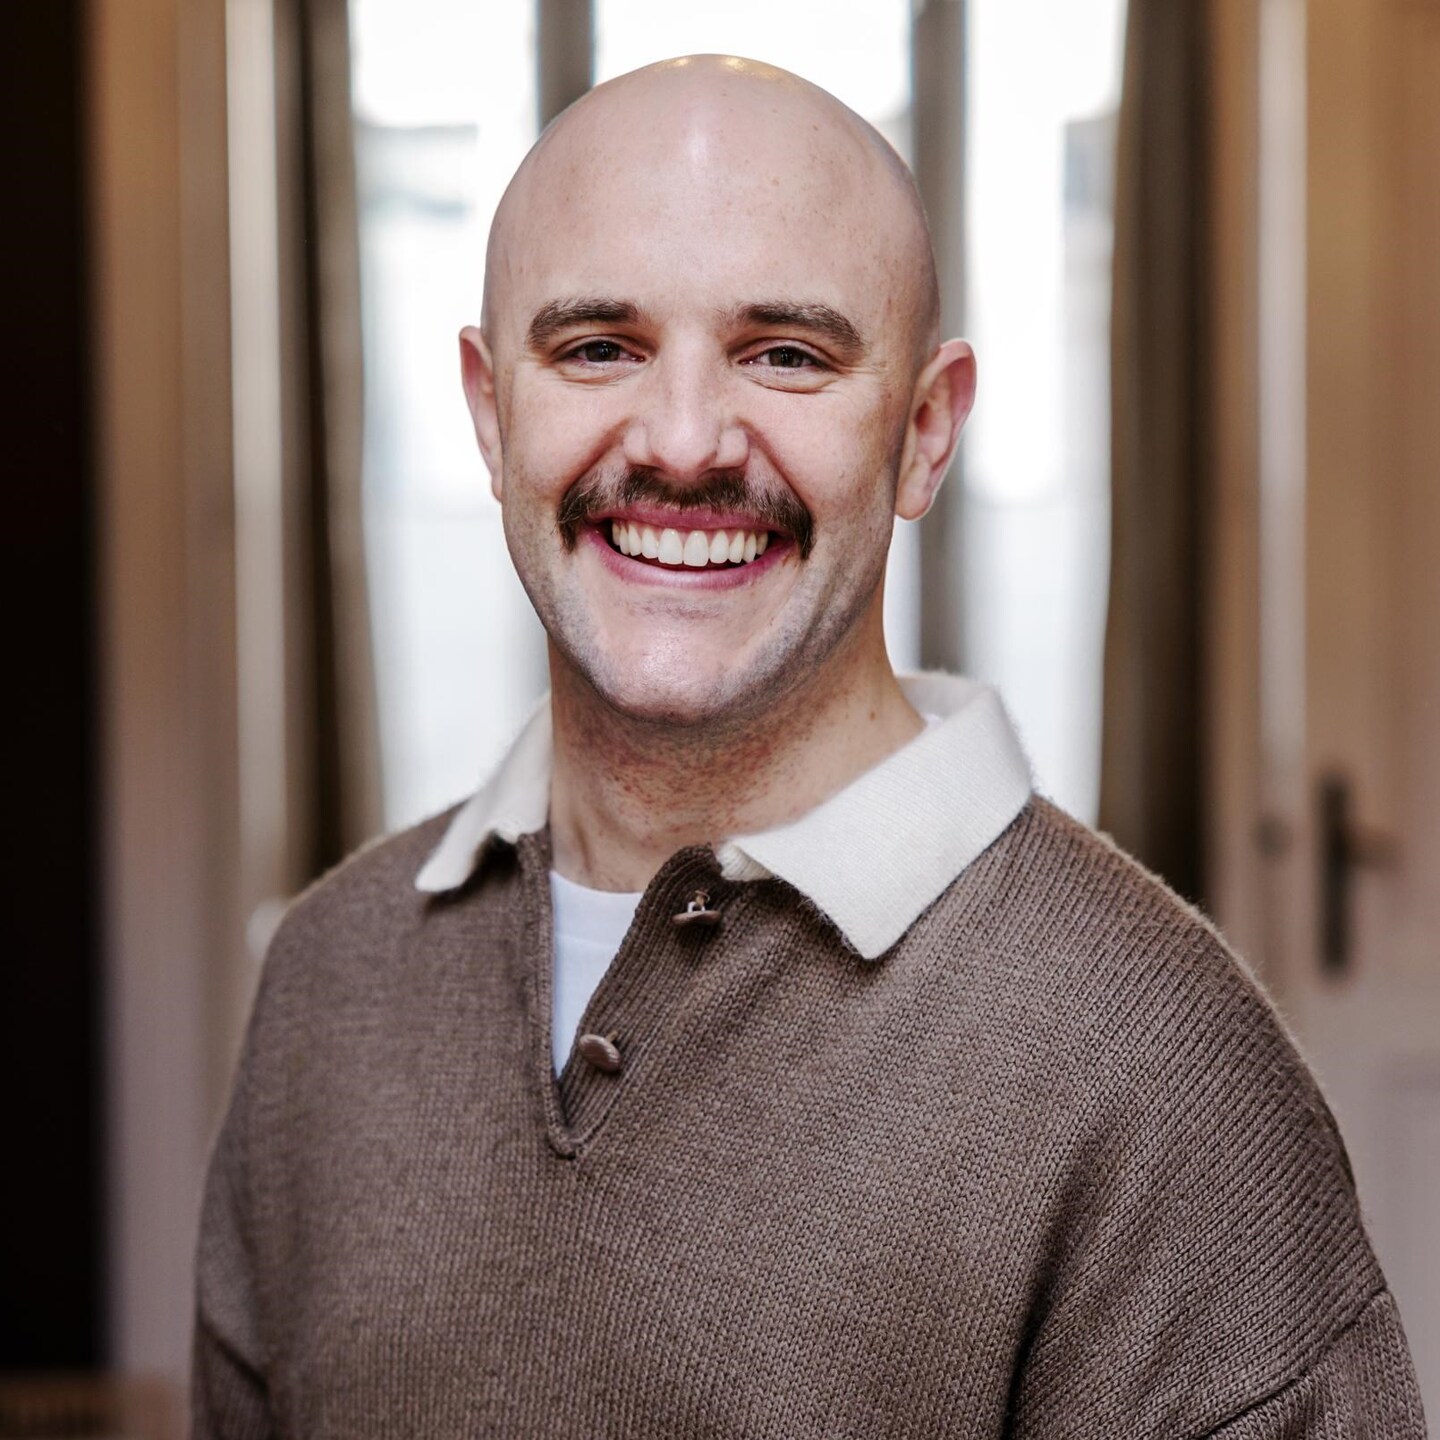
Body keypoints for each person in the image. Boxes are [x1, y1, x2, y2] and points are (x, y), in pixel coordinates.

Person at [192, 55, 1425, 1438]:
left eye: (787, 355)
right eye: (598, 347)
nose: (683, 444)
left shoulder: (1166, 1077)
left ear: (925, 432)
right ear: (490, 412)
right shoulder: (329, 983)